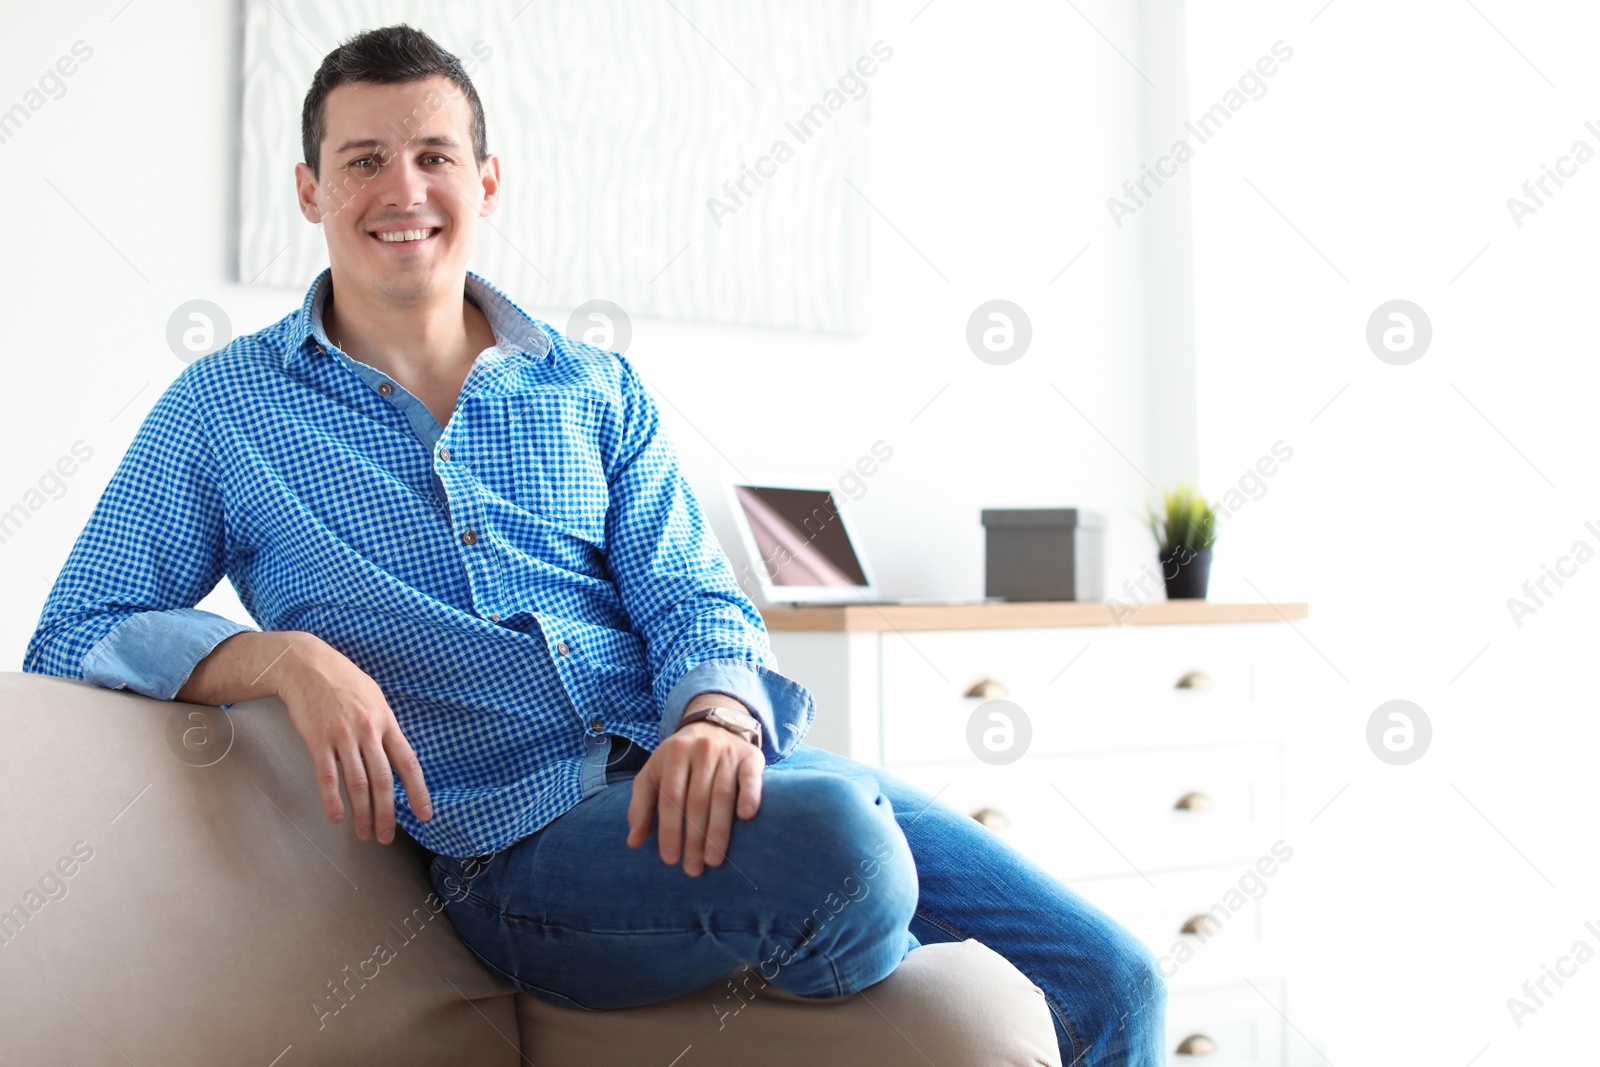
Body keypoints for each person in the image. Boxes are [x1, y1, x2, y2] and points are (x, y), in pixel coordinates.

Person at [22, 24, 1165, 1064]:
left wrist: (717, 713)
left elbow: (693, 599)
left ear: (486, 180)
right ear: (310, 190)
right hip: (515, 854)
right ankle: (791, 914)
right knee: (853, 862)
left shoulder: (591, 387)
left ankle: (780, 900)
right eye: (362, 159)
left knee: (1116, 980)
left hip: (715, 770)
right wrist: (280, 660)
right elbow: (74, 629)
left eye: (432, 153)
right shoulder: (224, 413)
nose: (401, 186)